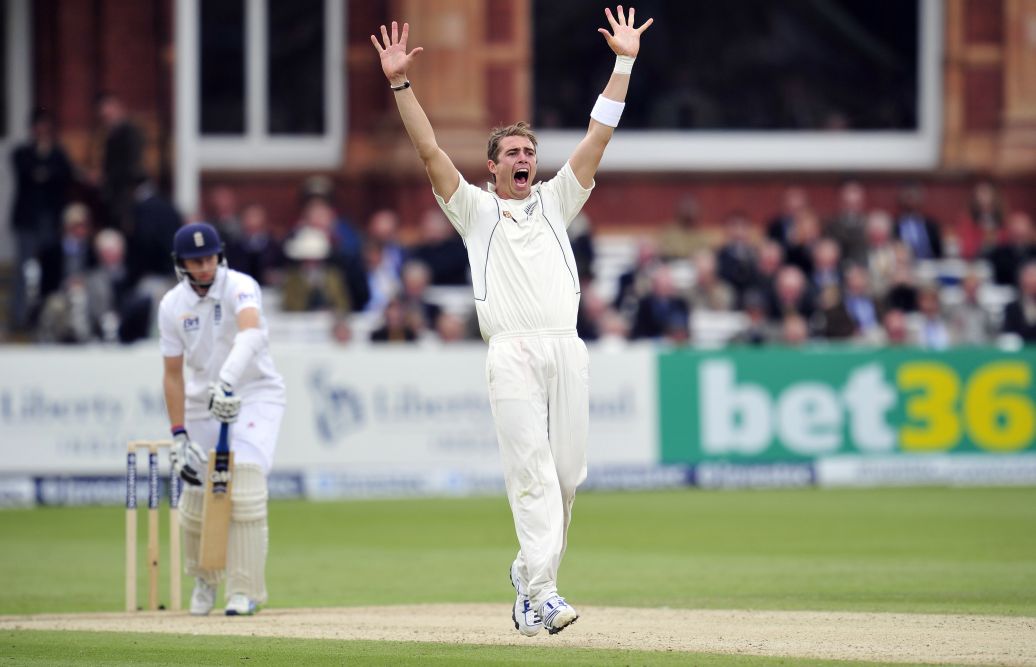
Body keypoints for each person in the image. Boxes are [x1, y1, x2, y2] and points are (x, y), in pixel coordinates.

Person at [372, 6, 652, 636]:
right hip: (512, 353)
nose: (525, 159)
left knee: (567, 478)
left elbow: (598, 135)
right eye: (513, 153)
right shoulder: (473, 211)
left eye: (530, 151)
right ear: (494, 166)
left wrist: (624, 61)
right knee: (531, 472)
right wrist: (399, 83)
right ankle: (546, 592)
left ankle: (527, 582)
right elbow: (428, 149)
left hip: (567, 350)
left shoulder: (558, 200)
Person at [159, 222, 286, 617]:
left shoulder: (240, 285)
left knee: (244, 480)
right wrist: (178, 434)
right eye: (196, 261)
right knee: (197, 493)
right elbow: (173, 375)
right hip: (201, 401)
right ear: (181, 264)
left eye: (210, 257)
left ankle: (245, 591)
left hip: (254, 392)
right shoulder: (171, 306)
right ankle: (205, 579)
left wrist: (227, 382)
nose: (205, 267)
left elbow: (251, 334)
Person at [9, 108, 73, 333]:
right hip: (27, 221)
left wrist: (44, 170)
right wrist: (43, 166)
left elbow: (64, 175)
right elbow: (27, 173)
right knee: (23, 271)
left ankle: (45, 318)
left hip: (50, 221)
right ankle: (19, 318)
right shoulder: (21, 152)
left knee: (49, 270)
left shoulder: (58, 154)